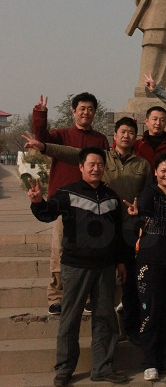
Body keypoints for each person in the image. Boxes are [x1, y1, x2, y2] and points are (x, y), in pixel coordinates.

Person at [24, 117, 153, 343]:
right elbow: (70, 152)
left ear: (136, 137)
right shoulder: (100, 158)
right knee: (78, 311)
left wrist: (142, 216)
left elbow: (149, 194)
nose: (126, 136)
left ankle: (129, 332)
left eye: (131, 132)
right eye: (122, 131)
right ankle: (67, 357)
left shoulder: (142, 165)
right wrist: (43, 147)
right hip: (93, 236)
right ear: (114, 136)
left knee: (128, 285)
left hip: (128, 230)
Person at [27, 147, 128, 387]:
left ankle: (102, 367)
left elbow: (118, 234)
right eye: (91, 164)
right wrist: (38, 202)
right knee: (70, 319)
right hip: (76, 267)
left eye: (100, 164)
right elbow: (47, 214)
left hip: (105, 267)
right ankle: (64, 369)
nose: (96, 168)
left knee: (105, 319)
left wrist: (121, 261)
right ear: (81, 167)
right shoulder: (68, 193)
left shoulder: (112, 197)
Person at [32, 93, 109, 315]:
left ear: (95, 113)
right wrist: (40, 115)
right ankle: (56, 297)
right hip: (63, 204)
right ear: (73, 111)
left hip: (91, 204)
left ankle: (87, 297)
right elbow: (42, 139)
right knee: (59, 249)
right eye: (82, 108)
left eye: (90, 109)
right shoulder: (61, 135)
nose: (86, 112)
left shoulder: (100, 140)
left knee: (90, 249)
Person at [125, 153, 166, 381]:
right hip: (150, 262)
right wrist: (136, 216)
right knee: (150, 310)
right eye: (163, 170)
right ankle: (150, 361)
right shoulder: (149, 194)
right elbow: (141, 219)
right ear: (156, 173)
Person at [134, 105, 166, 170]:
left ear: (165, 123)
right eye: (155, 119)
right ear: (146, 121)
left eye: (162, 120)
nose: (158, 123)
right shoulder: (136, 145)